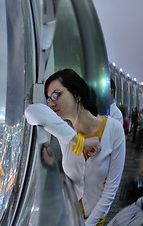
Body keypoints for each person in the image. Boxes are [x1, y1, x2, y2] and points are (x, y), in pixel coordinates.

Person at [25, 69, 126, 226]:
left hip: (95, 221)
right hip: (67, 217)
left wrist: (87, 224)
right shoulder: (64, 132)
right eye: (48, 99)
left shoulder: (113, 129)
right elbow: (31, 112)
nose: (51, 103)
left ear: (76, 93)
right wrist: (80, 142)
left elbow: (111, 189)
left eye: (56, 95)